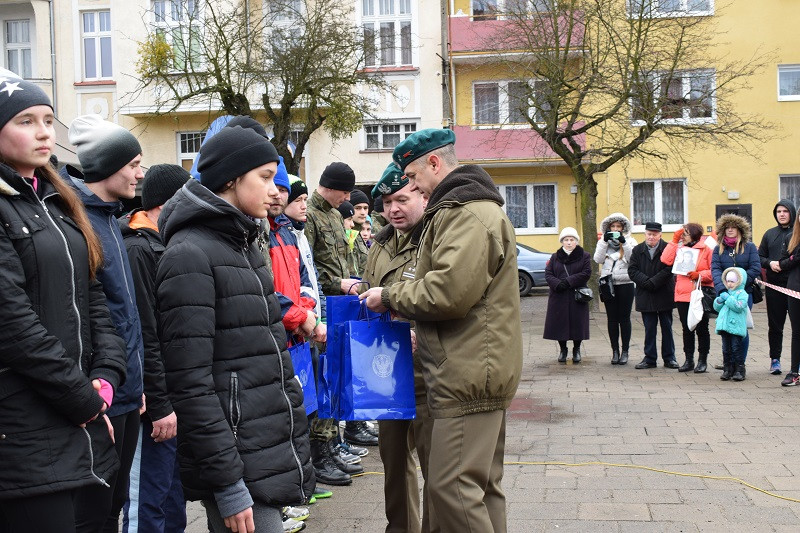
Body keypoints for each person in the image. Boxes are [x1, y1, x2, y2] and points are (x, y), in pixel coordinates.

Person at [361, 128, 522, 533]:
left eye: (412, 178)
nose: (411, 186)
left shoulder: (465, 212)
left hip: (466, 368)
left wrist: (391, 295)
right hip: (472, 364)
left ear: (435, 164)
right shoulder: (464, 210)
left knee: (451, 487)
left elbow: (449, 292)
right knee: (481, 487)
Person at [156, 126, 314, 533]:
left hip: (262, 450)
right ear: (230, 178)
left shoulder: (244, 244)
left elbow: (267, 355)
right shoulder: (190, 253)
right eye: (263, 177)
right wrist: (227, 484)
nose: (275, 190)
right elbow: (190, 382)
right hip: (237, 460)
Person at [0, 68, 125, 533]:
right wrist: (83, 399)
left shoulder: (56, 202)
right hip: (27, 432)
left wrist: (106, 377)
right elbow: (13, 323)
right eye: (25, 120)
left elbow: (95, 299)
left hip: (84, 422)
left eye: (48, 120)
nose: (43, 132)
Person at [67, 114, 147, 531]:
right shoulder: (80, 222)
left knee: (116, 500)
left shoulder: (110, 220)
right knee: (94, 509)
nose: (140, 173)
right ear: (106, 166)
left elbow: (126, 312)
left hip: (127, 389)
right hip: (101, 393)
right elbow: (94, 317)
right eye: (133, 163)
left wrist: (137, 383)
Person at [119, 164, 188, 533]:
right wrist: (159, 403)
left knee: (170, 495)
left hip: (172, 400)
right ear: (168, 203)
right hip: (153, 407)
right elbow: (144, 333)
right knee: (147, 497)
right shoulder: (139, 249)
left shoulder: (163, 244)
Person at [363, 162, 432, 533]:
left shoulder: (436, 237)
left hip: (426, 373)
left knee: (437, 470)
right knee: (394, 464)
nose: (394, 209)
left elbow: (446, 296)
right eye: (387, 202)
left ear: (422, 195)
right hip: (386, 374)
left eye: (402, 199)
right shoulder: (382, 242)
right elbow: (370, 290)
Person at [305, 162, 375, 481]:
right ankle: (320, 450)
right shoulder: (309, 215)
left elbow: (342, 260)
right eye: (344, 191)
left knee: (339, 374)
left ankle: (333, 442)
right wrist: (338, 284)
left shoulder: (335, 215)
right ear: (329, 186)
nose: (346, 197)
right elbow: (308, 268)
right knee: (325, 377)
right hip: (322, 308)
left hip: (341, 304)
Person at [710, 214, 761, 379]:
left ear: (740, 230)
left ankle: (740, 366)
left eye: (734, 227)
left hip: (744, 294)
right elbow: (715, 270)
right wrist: (722, 289)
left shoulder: (750, 247)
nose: (730, 230)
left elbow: (755, 268)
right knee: (726, 330)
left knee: (740, 329)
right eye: (727, 227)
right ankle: (728, 366)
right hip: (724, 294)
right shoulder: (718, 249)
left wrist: (739, 283)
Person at [661, 223, 715, 373]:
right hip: (682, 294)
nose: (683, 236)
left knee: (702, 329)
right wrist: (674, 240)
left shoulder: (706, 250)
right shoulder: (679, 249)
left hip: (699, 294)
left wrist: (700, 275)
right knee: (687, 328)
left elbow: (714, 271)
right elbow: (665, 259)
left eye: (685, 233)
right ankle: (688, 359)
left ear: (694, 234)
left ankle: (702, 360)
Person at [628, 222, 678, 369]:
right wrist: (646, 282)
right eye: (649, 234)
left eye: (654, 234)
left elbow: (670, 269)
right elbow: (632, 271)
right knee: (649, 328)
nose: (651, 237)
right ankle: (650, 358)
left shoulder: (668, 248)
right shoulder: (637, 250)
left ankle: (669, 358)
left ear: (660, 235)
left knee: (667, 327)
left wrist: (654, 282)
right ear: (645, 234)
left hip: (664, 293)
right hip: (646, 294)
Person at [758, 200, 796, 375]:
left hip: (795, 287)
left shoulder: (798, 234)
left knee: (798, 328)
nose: (781, 214)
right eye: (778, 211)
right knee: (775, 326)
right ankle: (775, 360)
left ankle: (796, 364)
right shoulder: (769, 234)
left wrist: (785, 264)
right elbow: (760, 257)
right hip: (774, 286)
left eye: (785, 211)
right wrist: (770, 263)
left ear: (792, 213)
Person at [593, 213, 636, 365]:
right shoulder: (603, 242)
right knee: (611, 319)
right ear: (608, 228)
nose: (616, 229)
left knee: (624, 318)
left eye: (619, 227)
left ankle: (625, 351)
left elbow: (632, 259)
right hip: (608, 283)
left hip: (625, 283)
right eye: (613, 227)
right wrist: (604, 242)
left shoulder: (630, 241)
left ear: (623, 228)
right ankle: (615, 351)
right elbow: (597, 259)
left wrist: (624, 243)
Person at [545, 227, 592, 364]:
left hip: (577, 295)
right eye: (566, 240)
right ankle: (563, 349)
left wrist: (568, 281)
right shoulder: (555, 257)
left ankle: (576, 349)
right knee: (560, 324)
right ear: (562, 242)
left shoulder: (584, 256)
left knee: (578, 323)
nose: (569, 242)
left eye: (572, 240)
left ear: (576, 241)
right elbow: (548, 274)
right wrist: (558, 284)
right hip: (559, 295)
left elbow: (586, 273)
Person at [713, 268, 751, 381]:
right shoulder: (726, 293)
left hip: (736, 326)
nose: (729, 284)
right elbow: (717, 308)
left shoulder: (742, 294)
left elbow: (739, 306)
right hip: (725, 326)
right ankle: (727, 369)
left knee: (736, 348)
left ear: (739, 281)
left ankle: (739, 369)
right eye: (728, 281)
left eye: (732, 281)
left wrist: (728, 298)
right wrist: (719, 300)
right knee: (726, 349)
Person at [778, 213, 800, 387]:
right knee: (797, 332)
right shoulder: (790, 238)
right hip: (795, 289)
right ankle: (795, 372)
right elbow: (782, 263)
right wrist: (795, 257)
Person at [349, 188, 371, 269]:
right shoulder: (346, 233)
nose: (363, 212)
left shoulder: (358, 233)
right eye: (358, 208)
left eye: (365, 208)